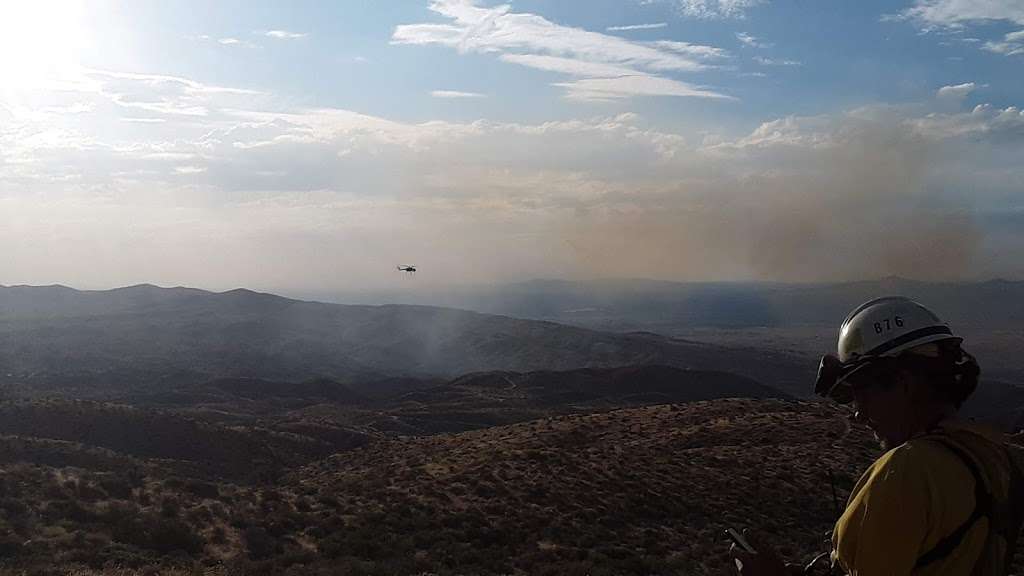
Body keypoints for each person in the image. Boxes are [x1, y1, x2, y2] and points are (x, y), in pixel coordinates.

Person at [730, 296, 1024, 575]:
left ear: (903, 384)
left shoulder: (906, 471)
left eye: (863, 394)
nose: (858, 413)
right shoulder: (990, 453)